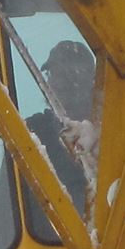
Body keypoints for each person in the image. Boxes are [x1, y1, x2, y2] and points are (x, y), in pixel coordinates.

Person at [26, 39, 98, 215]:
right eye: (53, 74)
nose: (57, 83)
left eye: (67, 76)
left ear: (89, 83)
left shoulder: (109, 136)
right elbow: (0, 210)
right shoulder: (33, 131)